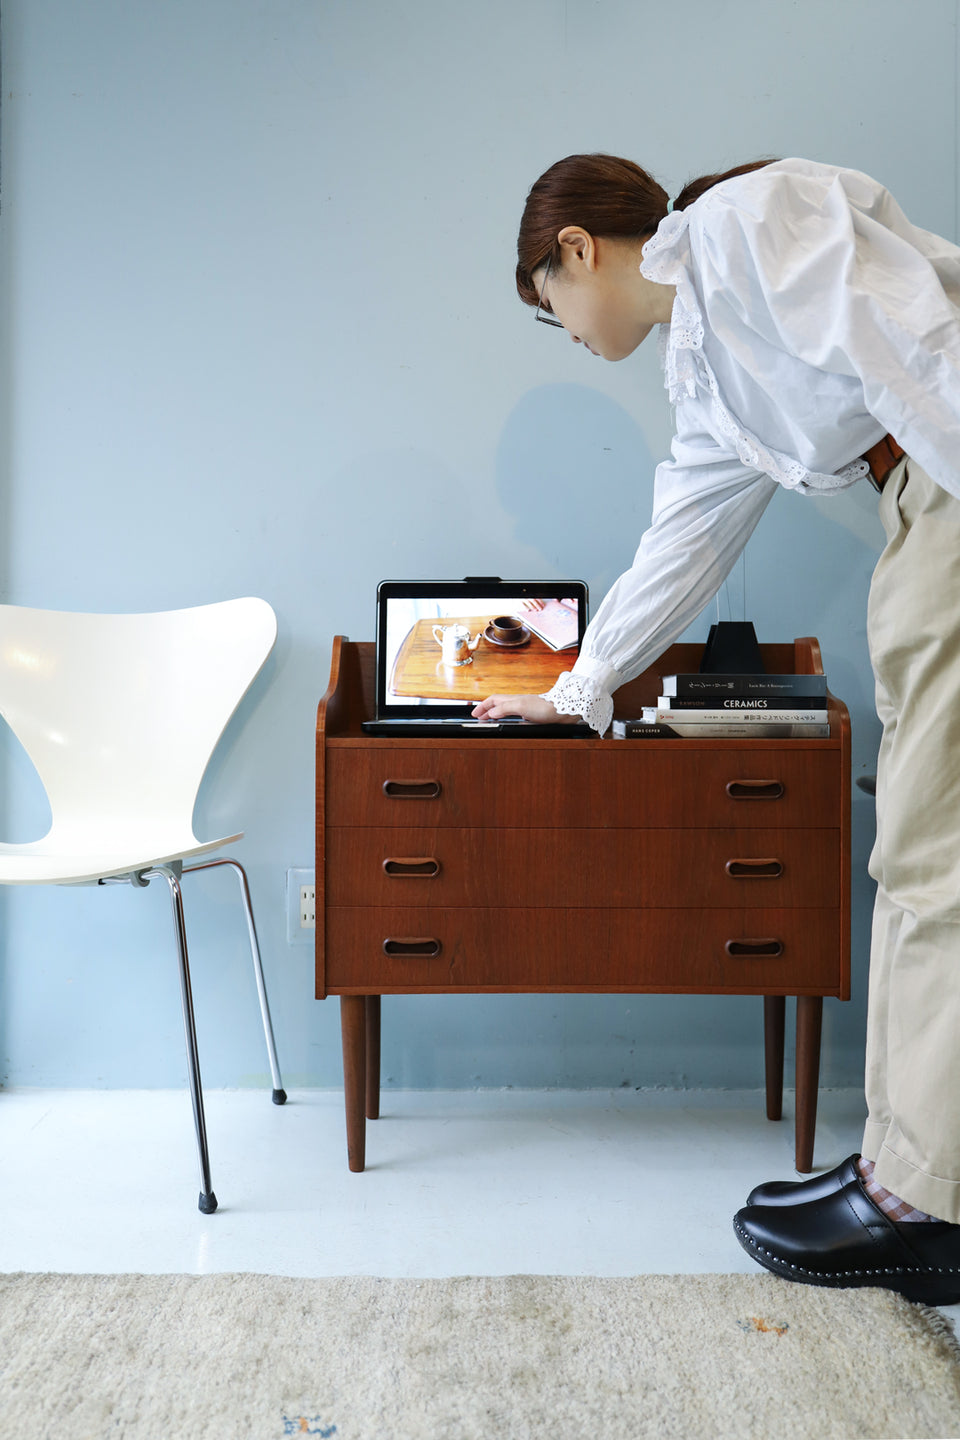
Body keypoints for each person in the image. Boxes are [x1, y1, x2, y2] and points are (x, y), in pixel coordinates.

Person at [473, 152, 960, 1306]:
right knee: (915, 854)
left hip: (948, 490)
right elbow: (682, 546)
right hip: (921, 505)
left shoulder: (745, 225)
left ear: (578, 251)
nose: (571, 332)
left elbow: (920, 344)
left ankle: (927, 1202)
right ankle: (902, 1163)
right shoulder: (710, 372)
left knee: (936, 861)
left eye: (553, 311)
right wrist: (581, 688)